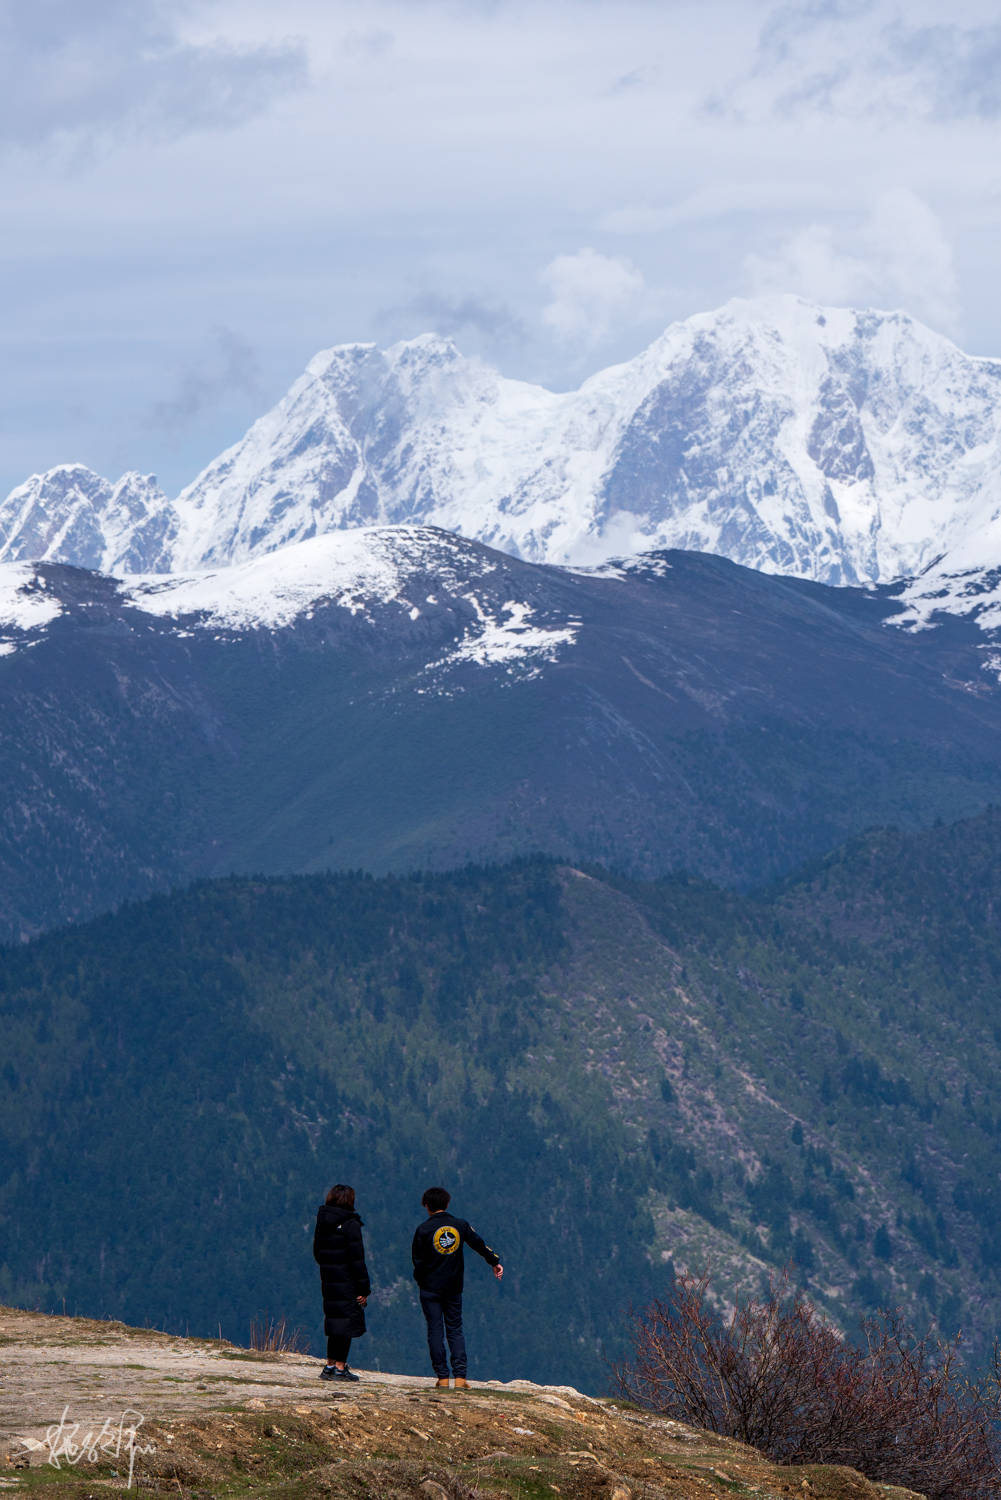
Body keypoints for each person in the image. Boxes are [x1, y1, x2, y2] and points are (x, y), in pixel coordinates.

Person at [411, 1185, 503, 1389]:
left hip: (430, 1288)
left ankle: (442, 1377)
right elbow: (479, 1244)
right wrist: (494, 1261)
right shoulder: (459, 1225)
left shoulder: (423, 1230)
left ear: (426, 1206)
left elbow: (417, 1260)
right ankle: (460, 1378)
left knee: (435, 1330)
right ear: (447, 1203)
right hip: (453, 1288)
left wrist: (422, 1281)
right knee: (454, 1329)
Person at [313, 1183, 371, 1382]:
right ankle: (340, 1366)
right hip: (347, 1281)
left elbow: (317, 1253)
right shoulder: (350, 1224)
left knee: (334, 1321)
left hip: (329, 1279)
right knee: (346, 1323)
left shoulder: (323, 1221)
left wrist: (330, 1267)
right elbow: (357, 1259)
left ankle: (329, 1365)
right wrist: (364, 1288)